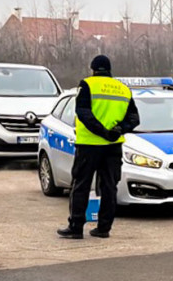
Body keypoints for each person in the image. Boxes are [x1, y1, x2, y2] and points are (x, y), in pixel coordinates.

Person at [57, 55, 139, 240]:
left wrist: (101, 131)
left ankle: (76, 227)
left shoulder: (87, 85)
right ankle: (103, 229)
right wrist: (117, 131)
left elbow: (83, 112)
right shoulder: (123, 89)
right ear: (109, 69)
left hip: (89, 145)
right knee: (110, 187)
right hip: (113, 146)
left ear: (93, 69)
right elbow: (134, 118)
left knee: (81, 185)